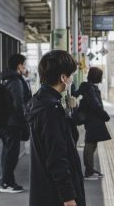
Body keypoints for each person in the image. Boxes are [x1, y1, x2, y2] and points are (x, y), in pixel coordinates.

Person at [25, 50, 85, 206]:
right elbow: (57, 157)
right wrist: (68, 197)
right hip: (56, 195)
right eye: (70, 75)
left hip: (44, 190)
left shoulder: (38, 101)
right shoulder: (51, 110)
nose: (71, 79)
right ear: (63, 78)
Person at [0, 54, 32, 193]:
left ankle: (7, 182)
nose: (25, 66)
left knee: (7, 152)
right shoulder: (16, 82)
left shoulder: (8, 79)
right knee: (11, 153)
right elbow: (19, 104)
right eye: (24, 64)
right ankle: (7, 183)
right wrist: (26, 120)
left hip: (6, 122)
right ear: (19, 65)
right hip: (13, 124)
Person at [76, 67, 110, 180]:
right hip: (93, 120)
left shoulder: (87, 87)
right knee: (90, 143)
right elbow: (95, 105)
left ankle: (90, 169)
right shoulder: (90, 88)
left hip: (91, 119)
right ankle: (89, 171)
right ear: (97, 76)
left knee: (91, 143)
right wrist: (105, 115)